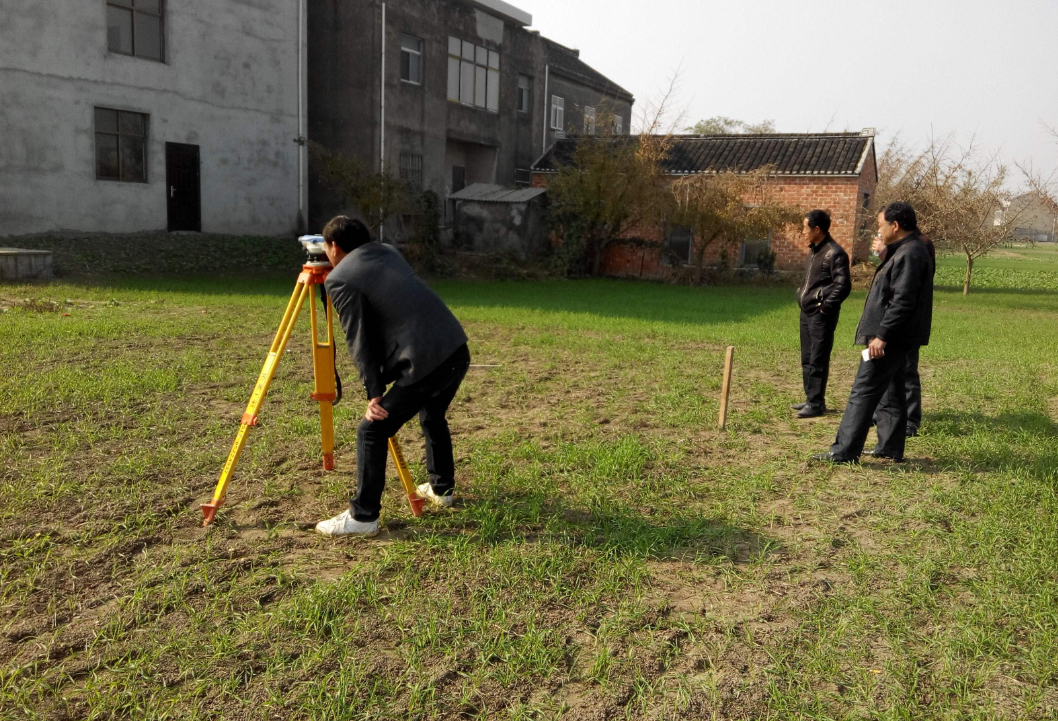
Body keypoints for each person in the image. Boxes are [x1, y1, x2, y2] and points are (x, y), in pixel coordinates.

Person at [314, 216, 470, 537]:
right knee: (433, 413)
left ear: (334, 247)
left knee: (371, 430)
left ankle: (363, 516)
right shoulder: (388, 251)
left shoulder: (340, 277)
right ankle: (442, 489)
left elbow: (359, 340)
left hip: (425, 360)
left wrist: (374, 395)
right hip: (455, 348)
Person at [812, 202, 934, 464]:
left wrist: (882, 335)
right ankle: (889, 447)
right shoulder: (905, 249)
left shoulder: (910, 254)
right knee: (892, 390)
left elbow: (903, 301)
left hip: (889, 339)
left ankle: (843, 452)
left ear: (895, 225)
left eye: (881, 225)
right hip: (896, 336)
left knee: (863, 390)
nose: (879, 230)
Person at [872, 232, 936, 436]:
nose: (881, 231)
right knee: (885, 371)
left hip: (907, 323)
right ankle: (883, 413)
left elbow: (909, 284)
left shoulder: (919, 245)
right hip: (887, 319)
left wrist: (884, 254)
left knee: (907, 369)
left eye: (884, 224)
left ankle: (910, 419)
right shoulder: (899, 246)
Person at [791, 210, 851, 418]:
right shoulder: (815, 250)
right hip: (806, 312)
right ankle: (811, 398)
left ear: (817, 229)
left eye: (805, 228)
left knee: (818, 357)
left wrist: (825, 307)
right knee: (807, 357)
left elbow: (843, 286)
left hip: (821, 315)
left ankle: (816, 403)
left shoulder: (834, 253)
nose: (802, 232)